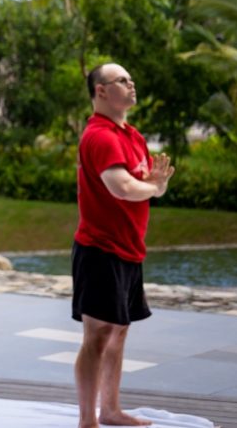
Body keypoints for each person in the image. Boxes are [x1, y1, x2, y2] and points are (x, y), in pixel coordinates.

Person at [72, 63, 175, 428]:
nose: (131, 84)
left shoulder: (131, 134)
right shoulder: (101, 136)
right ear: (101, 91)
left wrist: (150, 183)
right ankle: (89, 421)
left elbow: (139, 180)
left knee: (118, 330)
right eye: (121, 80)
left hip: (128, 248)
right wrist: (156, 188)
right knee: (98, 336)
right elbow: (123, 187)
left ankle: (111, 410)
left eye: (131, 78)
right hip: (100, 249)